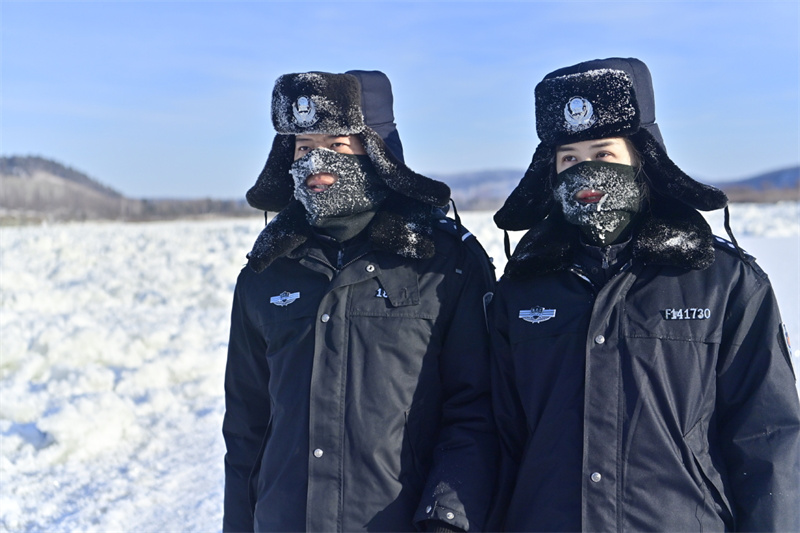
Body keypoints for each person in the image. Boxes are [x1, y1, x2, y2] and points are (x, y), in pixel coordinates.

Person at [489, 57, 800, 531]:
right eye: (569, 158)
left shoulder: (725, 281)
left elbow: (768, 438)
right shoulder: (522, 288)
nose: (586, 172)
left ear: (643, 158)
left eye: (604, 153)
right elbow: (501, 438)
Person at [222, 70, 497, 533]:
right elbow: (247, 430)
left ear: (378, 150)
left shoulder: (445, 264)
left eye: (336, 144)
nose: (315, 162)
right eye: (303, 147)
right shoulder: (266, 272)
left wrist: (445, 521)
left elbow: (477, 413)